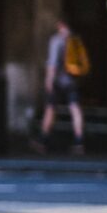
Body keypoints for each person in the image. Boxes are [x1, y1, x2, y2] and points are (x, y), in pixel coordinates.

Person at [31, 19, 85, 155]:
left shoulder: (57, 40)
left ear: (61, 24)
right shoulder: (75, 39)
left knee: (50, 109)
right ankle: (79, 141)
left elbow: (52, 64)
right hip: (72, 81)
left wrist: (48, 80)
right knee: (75, 108)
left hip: (58, 82)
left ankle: (42, 140)